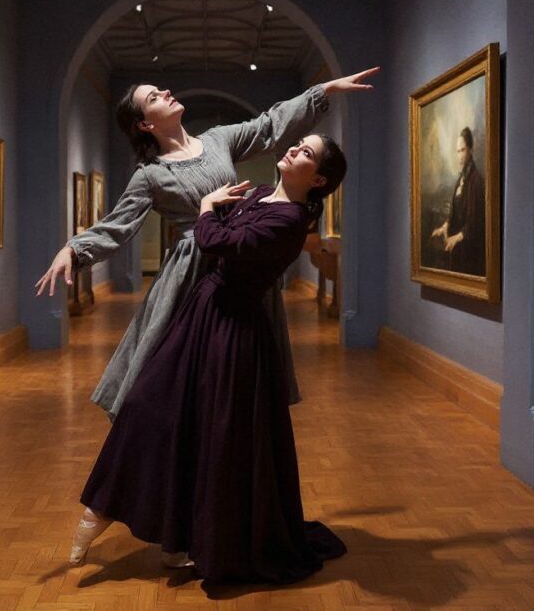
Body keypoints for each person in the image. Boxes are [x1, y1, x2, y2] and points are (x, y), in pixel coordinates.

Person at [70, 133, 349, 583]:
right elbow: (221, 234)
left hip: (233, 332)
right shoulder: (259, 193)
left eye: (307, 153)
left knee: (213, 435)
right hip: (200, 312)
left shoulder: (290, 220)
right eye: (298, 143)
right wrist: (212, 214)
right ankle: (109, 515)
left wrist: (205, 208)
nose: (294, 149)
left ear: (317, 179)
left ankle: (180, 539)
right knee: (144, 405)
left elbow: (216, 241)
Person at [34, 67, 379, 421]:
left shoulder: (217, 140)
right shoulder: (150, 174)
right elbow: (118, 225)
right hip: (191, 273)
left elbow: (269, 125)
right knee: (177, 372)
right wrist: (74, 249)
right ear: (145, 124)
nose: (166, 93)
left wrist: (323, 91)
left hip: (241, 262)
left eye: (161, 89)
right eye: (154, 97)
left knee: (237, 371)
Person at [430, 126, 485, 276]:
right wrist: (445, 226)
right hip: (458, 251)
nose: (459, 156)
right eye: (457, 151)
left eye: (463, 150)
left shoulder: (476, 181)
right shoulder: (460, 179)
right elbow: (455, 212)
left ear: (471, 150)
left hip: (470, 253)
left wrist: (456, 238)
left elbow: (474, 223)